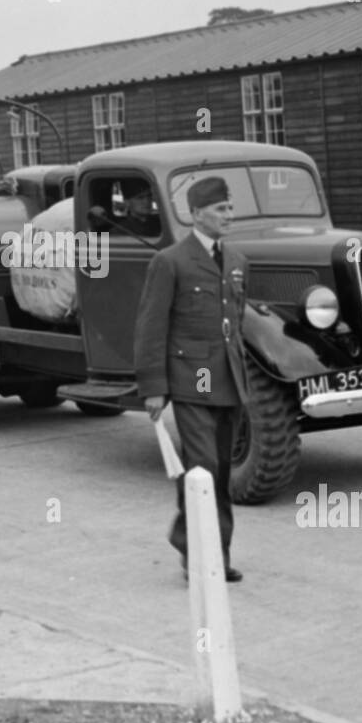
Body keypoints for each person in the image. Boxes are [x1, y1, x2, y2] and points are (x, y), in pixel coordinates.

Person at [134, 175, 248, 583]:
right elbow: (151, 327)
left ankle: (208, 548)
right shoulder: (171, 261)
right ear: (197, 214)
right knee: (204, 467)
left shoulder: (236, 261)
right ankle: (202, 556)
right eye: (220, 209)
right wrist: (154, 388)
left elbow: (235, 320)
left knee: (219, 472)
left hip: (229, 380)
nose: (228, 216)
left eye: (230, 208)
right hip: (194, 379)